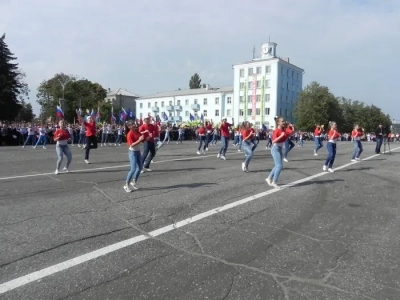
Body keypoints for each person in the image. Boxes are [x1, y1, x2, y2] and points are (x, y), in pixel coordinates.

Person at [266, 116, 288, 189]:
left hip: (279, 148)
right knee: (279, 166)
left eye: (284, 121)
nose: (284, 122)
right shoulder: (277, 130)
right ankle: (274, 182)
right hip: (275, 148)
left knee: (277, 165)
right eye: (282, 121)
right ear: (278, 122)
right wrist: (281, 136)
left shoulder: (283, 130)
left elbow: (285, 137)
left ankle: (269, 178)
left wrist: (291, 132)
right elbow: (273, 141)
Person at [124, 121, 144, 192]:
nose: (134, 125)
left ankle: (134, 182)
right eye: (132, 124)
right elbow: (131, 145)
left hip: (138, 151)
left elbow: (142, 140)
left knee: (140, 167)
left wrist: (148, 137)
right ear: (129, 127)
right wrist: (139, 140)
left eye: (134, 123)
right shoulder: (129, 134)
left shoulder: (137, 131)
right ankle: (126, 185)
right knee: (133, 169)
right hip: (132, 152)